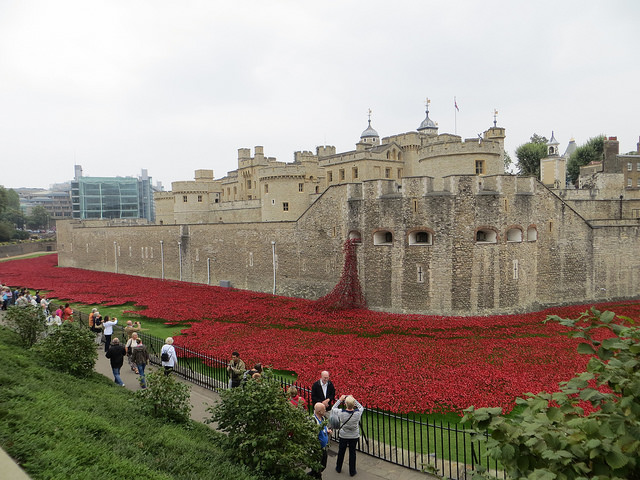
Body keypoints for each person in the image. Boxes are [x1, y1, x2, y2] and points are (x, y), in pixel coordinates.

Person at [334, 395, 365, 477]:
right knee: (352, 453)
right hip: (354, 435)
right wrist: (354, 400)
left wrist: (340, 400)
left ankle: (338, 467)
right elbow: (361, 407)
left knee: (341, 452)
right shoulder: (358, 412)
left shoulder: (341, 412)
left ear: (345, 404)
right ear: (354, 404)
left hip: (343, 435)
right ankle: (352, 471)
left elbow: (333, 408)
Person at [310, 402, 332, 479]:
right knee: (317, 467)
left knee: (323, 465)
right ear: (319, 412)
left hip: (324, 447)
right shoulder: (313, 421)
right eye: (324, 409)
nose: (325, 410)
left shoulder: (322, 418)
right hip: (317, 449)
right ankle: (317, 475)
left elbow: (324, 428)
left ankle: (312, 474)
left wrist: (327, 431)